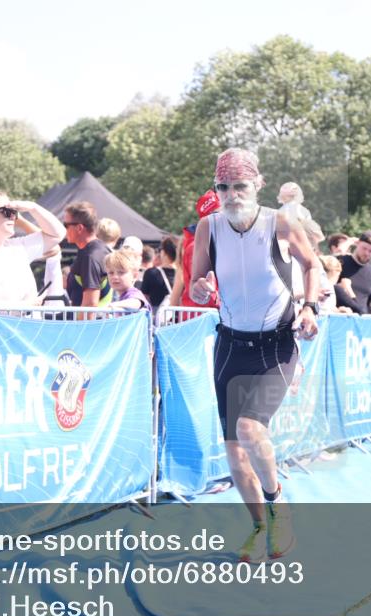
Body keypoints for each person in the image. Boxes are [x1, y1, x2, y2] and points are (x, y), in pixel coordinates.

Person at [189, 148, 320, 563]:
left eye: (240, 186)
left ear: (258, 185)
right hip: (230, 346)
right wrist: (200, 290)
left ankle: (278, 506)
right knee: (233, 449)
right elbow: (195, 283)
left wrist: (310, 307)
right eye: (223, 187)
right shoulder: (208, 228)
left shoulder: (280, 223)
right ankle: (260, 528)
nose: (231, 194)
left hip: (276, 345)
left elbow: (313, 266)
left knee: (249, 428)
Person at [169, 190, 220, 316]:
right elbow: (203, 289)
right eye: (218, 214)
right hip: (202, 319)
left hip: (203, 317)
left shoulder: (201, 241)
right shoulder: (196, 246)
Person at [64, 201, 112, 314]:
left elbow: (90, 305)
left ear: (79, 228)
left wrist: (80, 330)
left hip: (88, 327)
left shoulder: (91, 256)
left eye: (66, 225)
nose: (64, 229)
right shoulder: (97, 249)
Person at [334, 231, 371, 318]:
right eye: (364, 248)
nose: (366, 253)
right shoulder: (340, 262)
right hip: (340, 319)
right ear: (357, 244)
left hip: (362, 321)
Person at [141, 236, 177, 314]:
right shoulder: (183, 275)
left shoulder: (151, 273)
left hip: (157, 318)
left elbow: (144, 297)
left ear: (163, 252)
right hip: (179, 317)